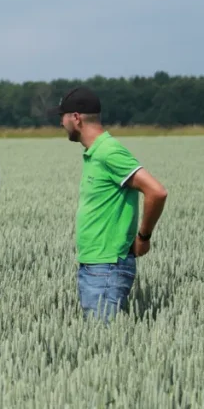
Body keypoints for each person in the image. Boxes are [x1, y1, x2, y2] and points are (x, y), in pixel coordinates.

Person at [56, 86, 168, 323]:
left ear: (76, 118)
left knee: (102, 338)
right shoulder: (95, 152)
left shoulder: (109, 152)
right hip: (96, 265)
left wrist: (144, 237)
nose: (61, 123)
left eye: (62, 117)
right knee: (98, 337)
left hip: (106, 267)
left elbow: (157, 192)